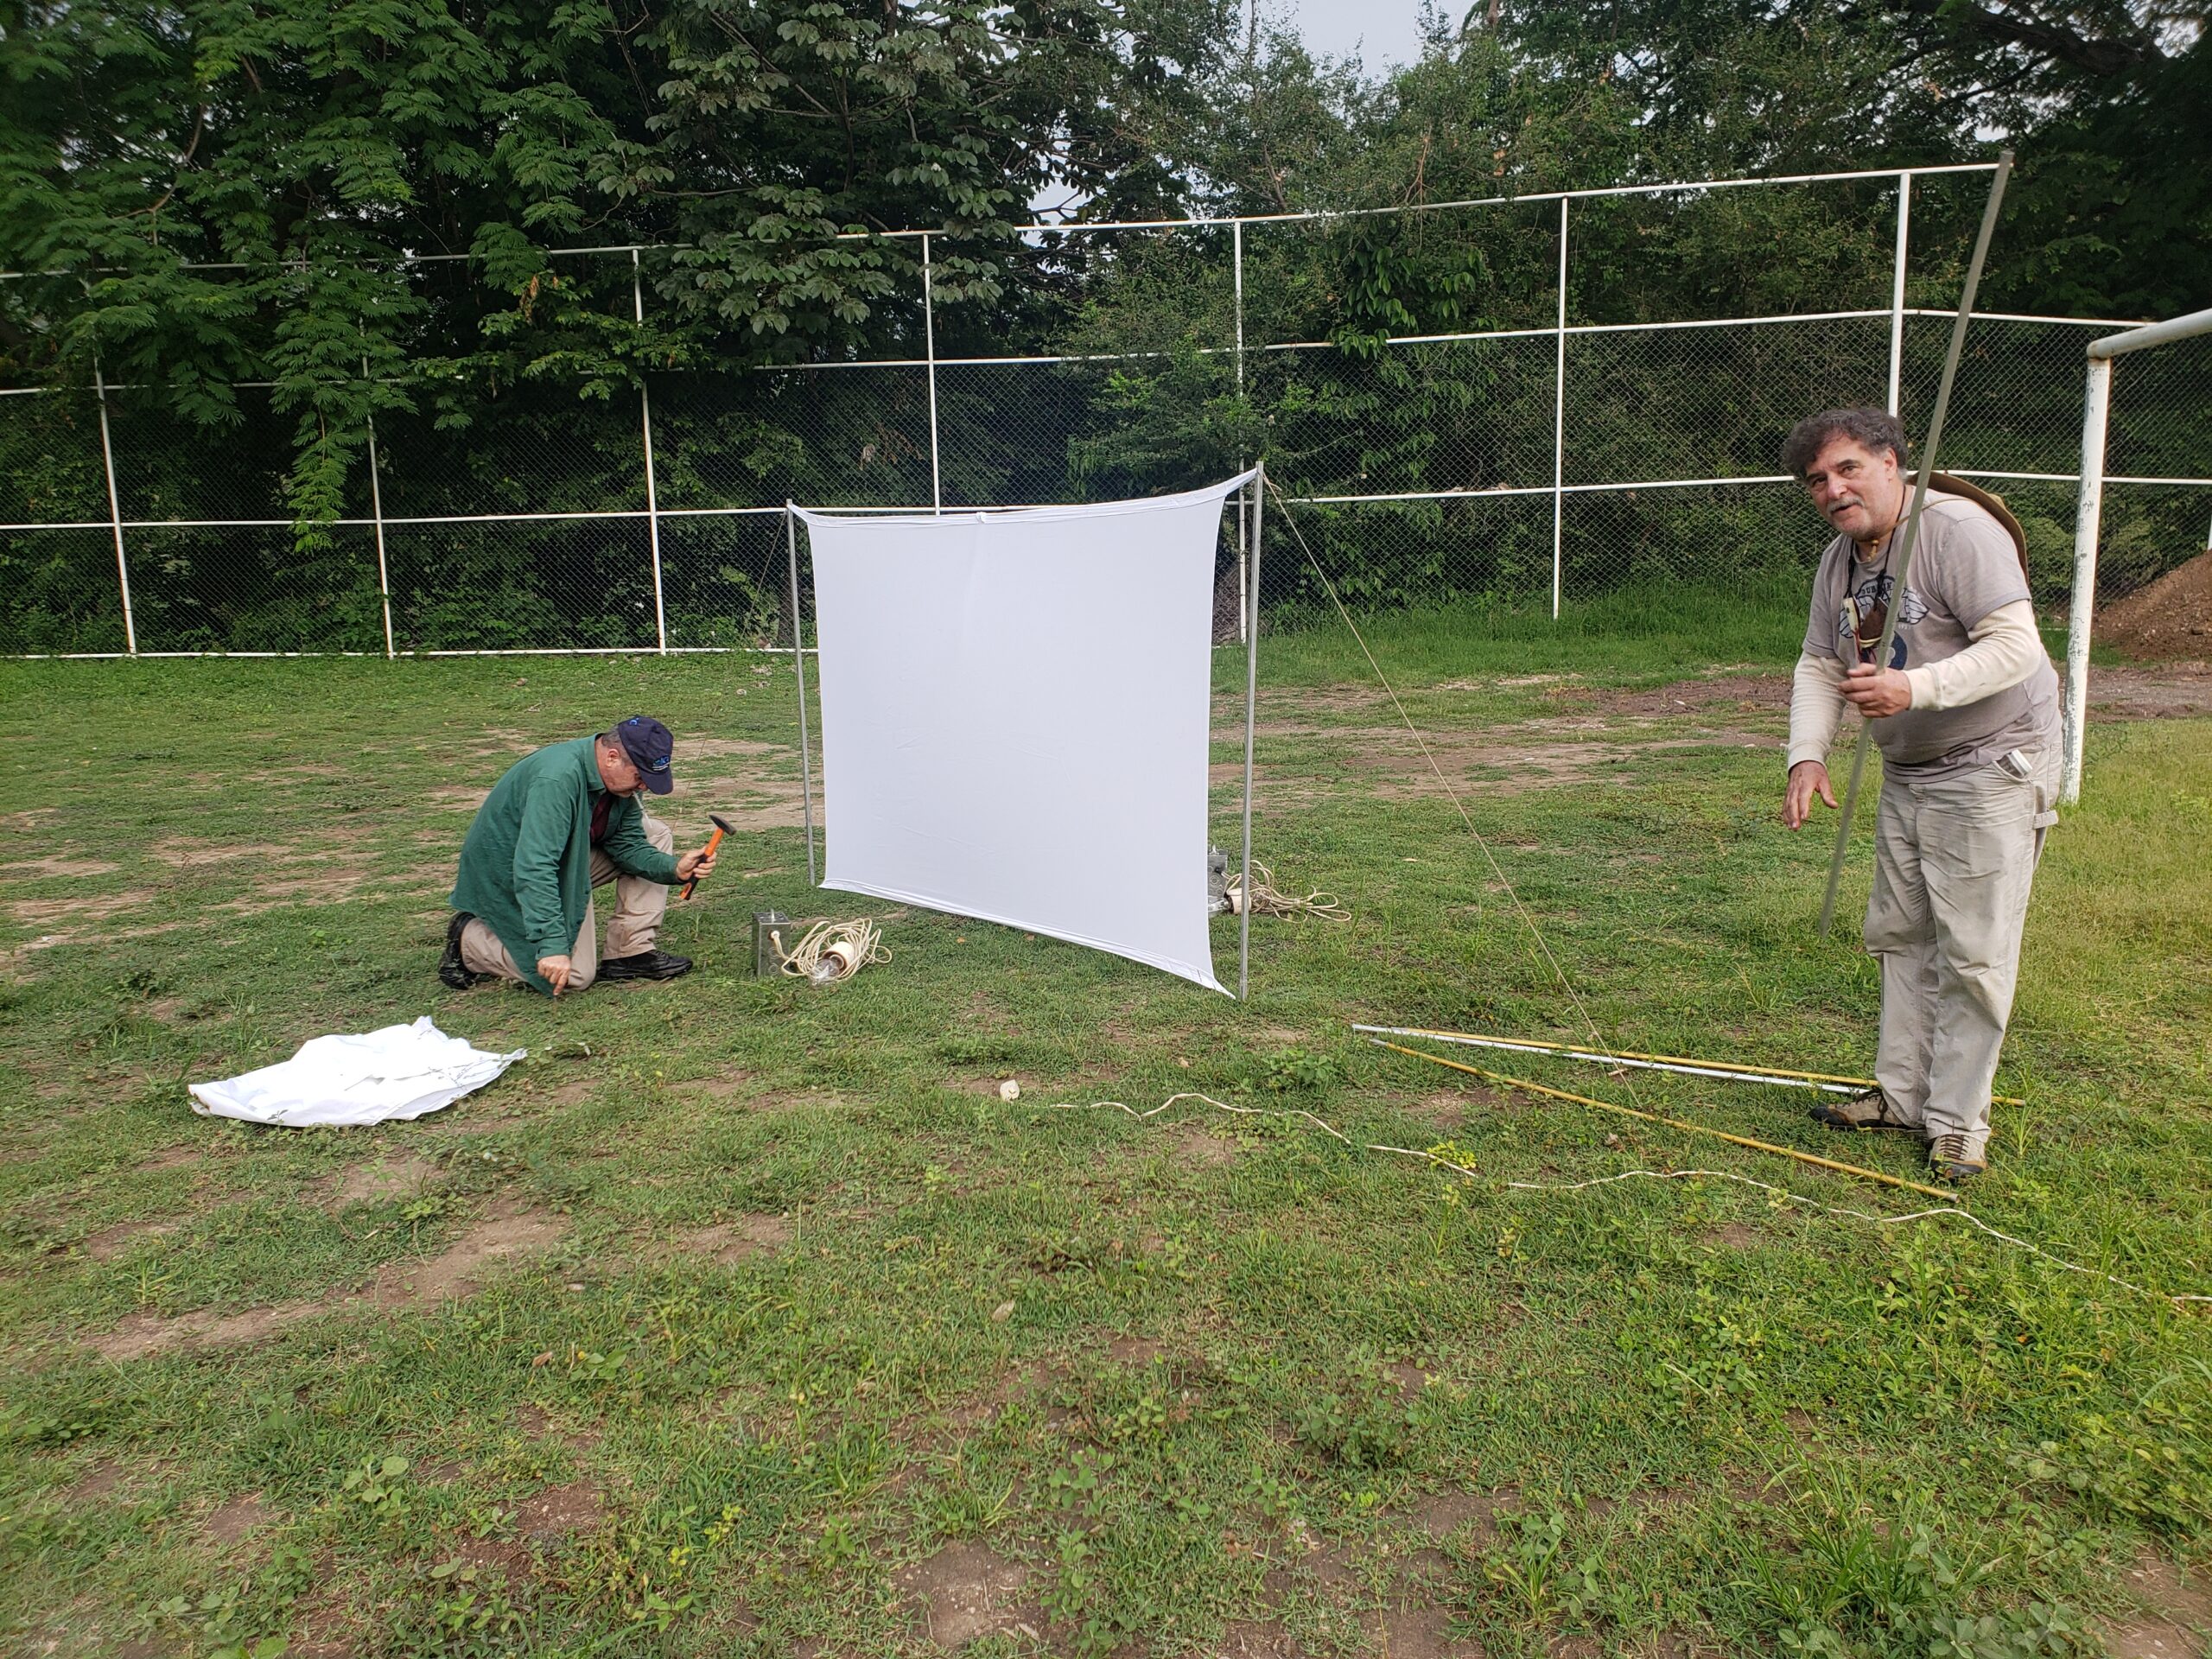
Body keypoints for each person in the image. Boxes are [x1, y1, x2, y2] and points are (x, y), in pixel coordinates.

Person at [1779, 408, 2060, 1184]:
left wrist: (1915, 686)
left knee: (1972, 952)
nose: (1833, 490)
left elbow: (2016, 645)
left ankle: (1959, 1123)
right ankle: (1902, 1096)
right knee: (1901, 935)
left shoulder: (1957, 532)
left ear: (1895, 461)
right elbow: (1818, 663)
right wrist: (1807, 755)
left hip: (1990, 762)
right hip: (1910, 769)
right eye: (1817, 481)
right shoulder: (1840, 561)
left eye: (1848, 469)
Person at [440, 716, 719, 995]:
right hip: (507, 876)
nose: (643, 786)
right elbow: (535, 866)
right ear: (612, 757)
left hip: (567, 858)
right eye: (640, 776)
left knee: (655, 833)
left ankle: (629, 951)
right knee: (574, 975)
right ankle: (469, 940)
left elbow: (628, 844)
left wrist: (673, 869)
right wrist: (551, 946)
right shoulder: (557, 779)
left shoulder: (618, 783)